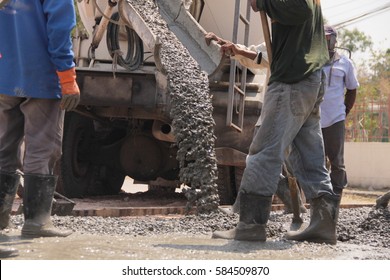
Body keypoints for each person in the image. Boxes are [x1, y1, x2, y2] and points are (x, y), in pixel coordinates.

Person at [212, 0, 340, 245]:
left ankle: (250, 224)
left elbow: (299, 8)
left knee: (264, 152)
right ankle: (323, 223)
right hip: (309, 78)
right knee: (308, 154)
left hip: (292, 80)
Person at [0, 0, 80, 251]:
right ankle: (36, 220)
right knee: (42, 148)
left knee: (2, 147)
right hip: (41, 77)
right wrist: (67, 77)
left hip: (4, 75)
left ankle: (1, 219)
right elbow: (59, 29)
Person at [205, 32, 307, 217]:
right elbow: (255, 55)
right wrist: (230, 48)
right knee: (268, 159)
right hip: (275, 106)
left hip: (284, 106)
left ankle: (246, 208)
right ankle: (295, 205)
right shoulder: (278, 36)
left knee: (261, 157)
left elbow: (268, 58)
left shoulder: (297, 38)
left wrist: (237, 50)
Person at [321, 25, 359, 195]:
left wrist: (344, 111)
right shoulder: (311, 62)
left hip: (335, 119)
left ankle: (336, 196)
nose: (326, 42)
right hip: (312, 120)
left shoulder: (345, 62)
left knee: (336, 161)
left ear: (335, 40)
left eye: (329, 38)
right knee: (315, 161)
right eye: (323, 38)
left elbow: (352, 89)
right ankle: (319, 197)